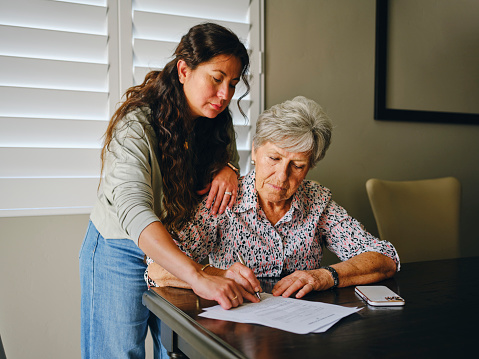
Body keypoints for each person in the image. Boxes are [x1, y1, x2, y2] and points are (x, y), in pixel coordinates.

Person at [79, 23, 261, 359]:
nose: (225, 95)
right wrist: (196, 275)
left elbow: (230, 167)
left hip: (182, 248)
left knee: (178, 350)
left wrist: (230, 169)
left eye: (233, 84)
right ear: (183, 70)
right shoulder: (135, 126)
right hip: (122, 250)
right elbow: (135, 211)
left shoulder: (218, 124)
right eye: (217, 78)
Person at [146, 96, 400, 299]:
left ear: (310, 167)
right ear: (255, 151)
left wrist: (322, 276)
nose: (281, 176)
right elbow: (157, 267)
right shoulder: (224, 200)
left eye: (297, 165)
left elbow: (383, 258)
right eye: (274, 158)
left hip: (303, 328)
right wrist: (215, 275)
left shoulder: (317, 201)